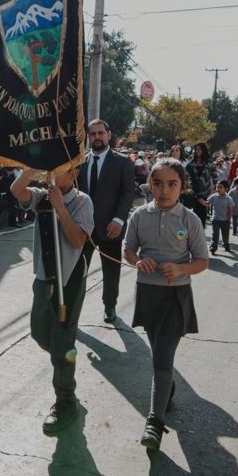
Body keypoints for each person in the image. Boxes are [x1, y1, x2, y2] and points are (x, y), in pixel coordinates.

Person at [123, 158, 208, 450]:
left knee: (161, 357)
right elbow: (128, 250)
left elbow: (202, 261)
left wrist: (181, 269)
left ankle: (154, 423)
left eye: (172, 184)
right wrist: (138, 260)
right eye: (158, 183)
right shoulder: (139, 216)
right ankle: (167, 388)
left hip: (176, 297)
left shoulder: (190, 220)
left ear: (182, 186)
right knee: (157, 353)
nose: (164, 190)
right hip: (147, 294)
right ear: (150, 184)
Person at [11, 164, 94, 435]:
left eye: (59, 169)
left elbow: (78, 239)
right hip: (44, 276)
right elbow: (16, 191)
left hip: (68, 279)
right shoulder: (41, 195)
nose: (52, 173)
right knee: (39, 333)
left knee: (62, 342)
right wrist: (30, 172)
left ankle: (65, 401)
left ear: (73, 174)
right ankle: (63, 354)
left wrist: (61, 208)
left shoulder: (82, 201)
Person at [77, 119, 134, 324]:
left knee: (111, 270)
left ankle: (110, 305)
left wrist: (119, 219)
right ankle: (73, 307)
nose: (97, 137)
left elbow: (128, 193)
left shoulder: (122, 162)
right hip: (82, 228)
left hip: (111, 227)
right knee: (77, 270)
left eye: (101, 133)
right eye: (93, 134)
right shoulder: (80, 162)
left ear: (109, 135)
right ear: (88, 137)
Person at [206, 179, 233, 254]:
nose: (218, 189)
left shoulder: (228, 199)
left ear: (226, 189)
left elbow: (230, 210)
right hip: (216, 219)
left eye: (220, 187)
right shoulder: (214, 196)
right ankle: (213, 247)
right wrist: (200, 200)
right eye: (217, 187)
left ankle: (226, 244)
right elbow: (207, 203)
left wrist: (229, 219)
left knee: (225, 235)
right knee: (215, 234)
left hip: (225, 220)